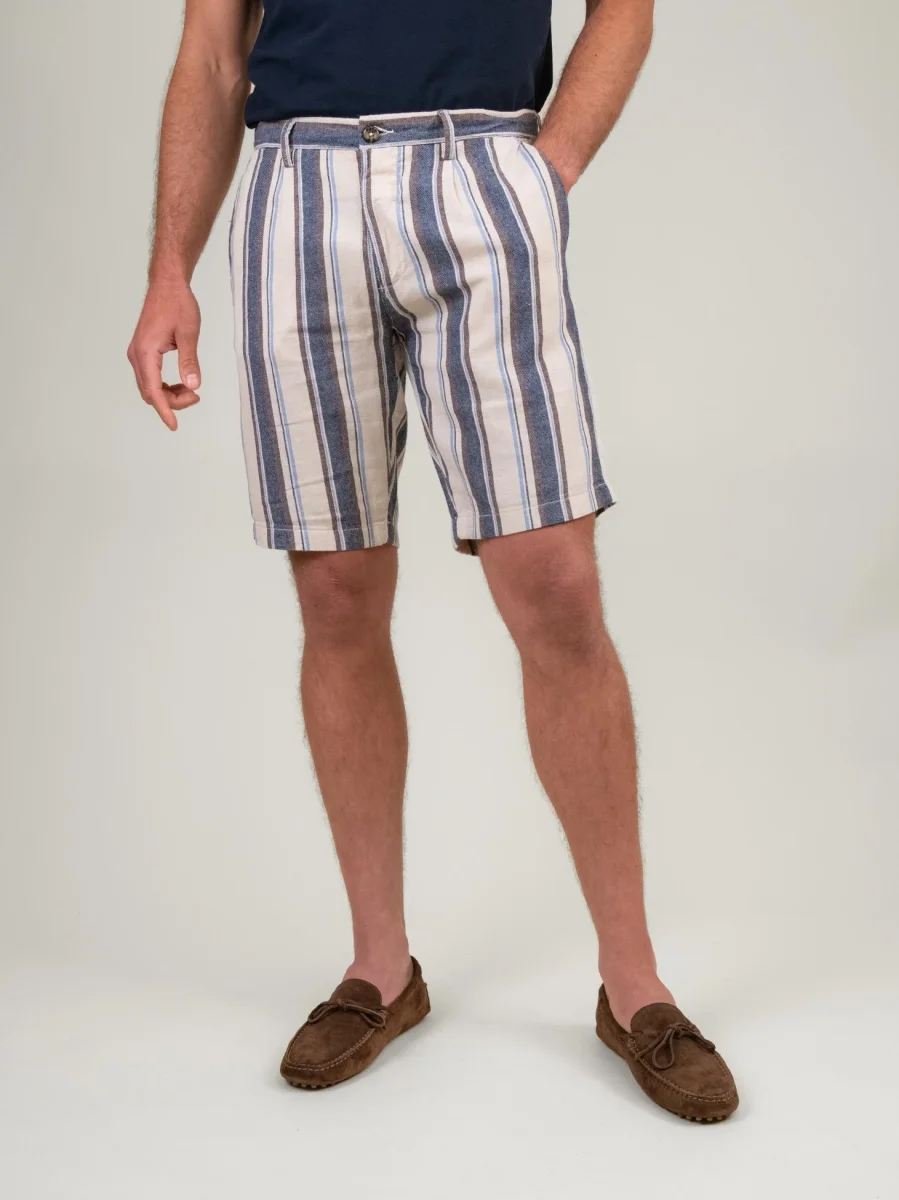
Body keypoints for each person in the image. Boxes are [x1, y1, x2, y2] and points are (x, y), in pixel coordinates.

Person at [127, 0, 738, 1120]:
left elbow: (624, 8)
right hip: (296, 189)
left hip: (480, 173)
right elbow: (212, 54)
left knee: (555, 586)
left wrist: (542, 173)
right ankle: (380, 969)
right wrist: (171, 269)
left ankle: (635, 986)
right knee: (335, 593)